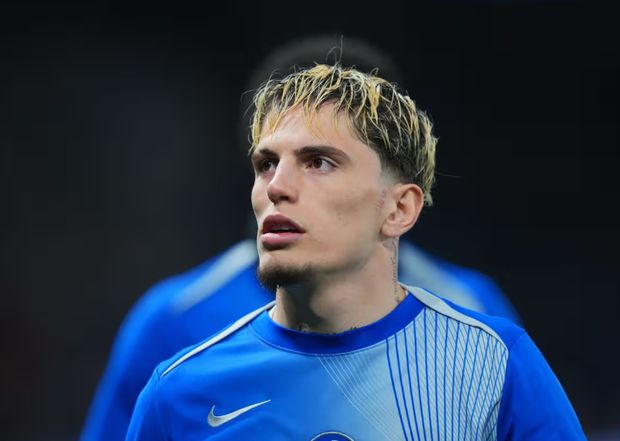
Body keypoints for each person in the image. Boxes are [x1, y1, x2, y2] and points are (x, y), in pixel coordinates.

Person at [79, 36, 520, 441]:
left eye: (321, 161)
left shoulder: (476, 317)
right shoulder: (174, 321)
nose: (281, 185)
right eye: (269, 162)